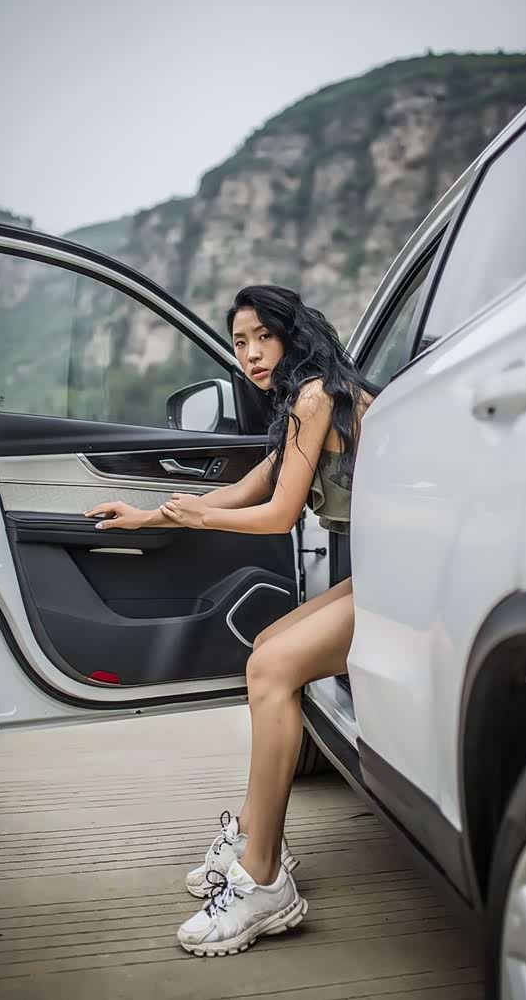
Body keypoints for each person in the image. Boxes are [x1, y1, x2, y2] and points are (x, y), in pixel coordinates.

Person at [83, 284, 377, 956]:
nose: (249, 354)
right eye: (240, 342)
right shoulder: (307, 402)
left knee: (271, 667)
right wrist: (148, 516)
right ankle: (253, 834)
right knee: (269, 645)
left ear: (291, 335)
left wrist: (198, 517)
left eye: (262, 337)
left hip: (419, 576)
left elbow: (275, 516)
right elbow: (246, 489)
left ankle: (265, 877)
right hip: (391, 570)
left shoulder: (318, 396)